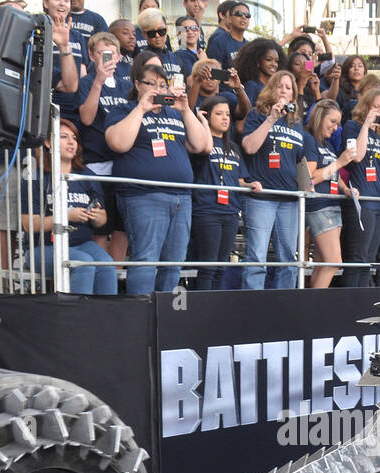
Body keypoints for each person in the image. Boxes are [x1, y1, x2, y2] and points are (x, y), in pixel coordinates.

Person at [105, 61, 211, 294]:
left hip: (181, 197)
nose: (157, 89)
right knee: (146, 260)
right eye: (151, 83)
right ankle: (141, 316)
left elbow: (202, 145)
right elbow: (118, 143)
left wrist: (184, 109)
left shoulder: (174, 111)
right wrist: (141, 109)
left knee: (173, 264)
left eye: (162, 85)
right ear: (137, 84)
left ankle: (163, 317)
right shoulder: (124, 110)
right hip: (143, 195)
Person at [22, 120, 118, 295]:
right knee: (82, 263)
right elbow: (29, 224)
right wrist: (65, 216)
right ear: (48, 143)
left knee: (107, 266)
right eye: (64, 137)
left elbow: (103, 218)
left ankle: (105, 319)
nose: (71, 142)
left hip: (83, 244)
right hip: (42, 249)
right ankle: (78, 320)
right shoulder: (36, 176)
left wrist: (96, 217)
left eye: (74, 138)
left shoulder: (86, 175)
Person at [239, 71, 306, 289]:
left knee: (288, 258)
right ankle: (253, 304)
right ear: (271, 89)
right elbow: (249, 147)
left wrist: (307, 186)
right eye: (280, 86)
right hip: (262, 196)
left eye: (289, 87)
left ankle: (284, 305)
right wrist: (271, 119)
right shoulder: (258, 115)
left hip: (289, 198)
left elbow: (299, 160)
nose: (285, 90)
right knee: (257, 256)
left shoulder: (296, 123)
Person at [190, 95, 261, 290]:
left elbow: (239, 179)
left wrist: (250, 184)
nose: (225, 118)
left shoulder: (234, 147)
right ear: (207, 115)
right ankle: (202, 309)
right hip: (207, 210)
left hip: (230, 211)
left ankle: (214, 311)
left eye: (228, 114)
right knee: (208, 266)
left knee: (221, 267)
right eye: (219, 114)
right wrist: (201, 123)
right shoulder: (201, 144)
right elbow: (201, 151)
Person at [339, 89, 380, 288]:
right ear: (366, 105)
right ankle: (349, 303)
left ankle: (359, 305)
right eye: (376, 106)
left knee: (368, 260)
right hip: (362, 199)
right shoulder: (352, 126)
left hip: (379, 200)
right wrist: (366, 124)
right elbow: (357, 156)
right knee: (357, 258)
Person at [77, 32, 133, 259]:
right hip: (98, 164)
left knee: (121, 228)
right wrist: (99, 81)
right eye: (102, 54)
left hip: (123, 163)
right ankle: (102, 277)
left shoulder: (126, 85)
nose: (108, 59)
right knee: (100, 227)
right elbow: (87, 118)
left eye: (111, 54)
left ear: (119, 56)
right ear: (91, 56)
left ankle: (116, 274)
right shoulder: (87, 82)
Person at [302, 99, 355, 289]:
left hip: (332, 204)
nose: (336, 127)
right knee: (333, 261)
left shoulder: (326, 143)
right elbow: (309, 179)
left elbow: (332, 172)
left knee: (324, 262)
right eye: (332, 121)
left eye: (338, 123)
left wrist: (346, 189)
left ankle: (312, 306)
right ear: (320, 116)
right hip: (319, 206)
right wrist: (340, 163)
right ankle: (314, 305)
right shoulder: (309, 139)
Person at [44, 0, 85, 122]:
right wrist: (64, 46)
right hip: (48, 109)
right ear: (46, 3)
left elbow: (83, 73)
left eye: (67, 1)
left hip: (76, 111)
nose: (62, 4)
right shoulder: (35, 31)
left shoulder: (77, 36)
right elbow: (69, 87)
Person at [234, 38, 285, 105]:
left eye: (276, 61)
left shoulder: (275, 87)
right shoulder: (252, 86)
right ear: (258, 62)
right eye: (268, 59)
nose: (274, 64)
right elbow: (247, 112)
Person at [138, 9, 183, 85]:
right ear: (144, 34)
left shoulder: (176, 58)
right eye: (151, 33)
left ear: (167, 29)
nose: (157, 36)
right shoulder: (142, 59)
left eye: (161, 31)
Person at [207, 0, 249, 71]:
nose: (244, 17)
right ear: (229, 18)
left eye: (247, 15)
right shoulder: (218, 41)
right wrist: (231, 78)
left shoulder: (249, 46)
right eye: (239, 14)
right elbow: (214, 74)